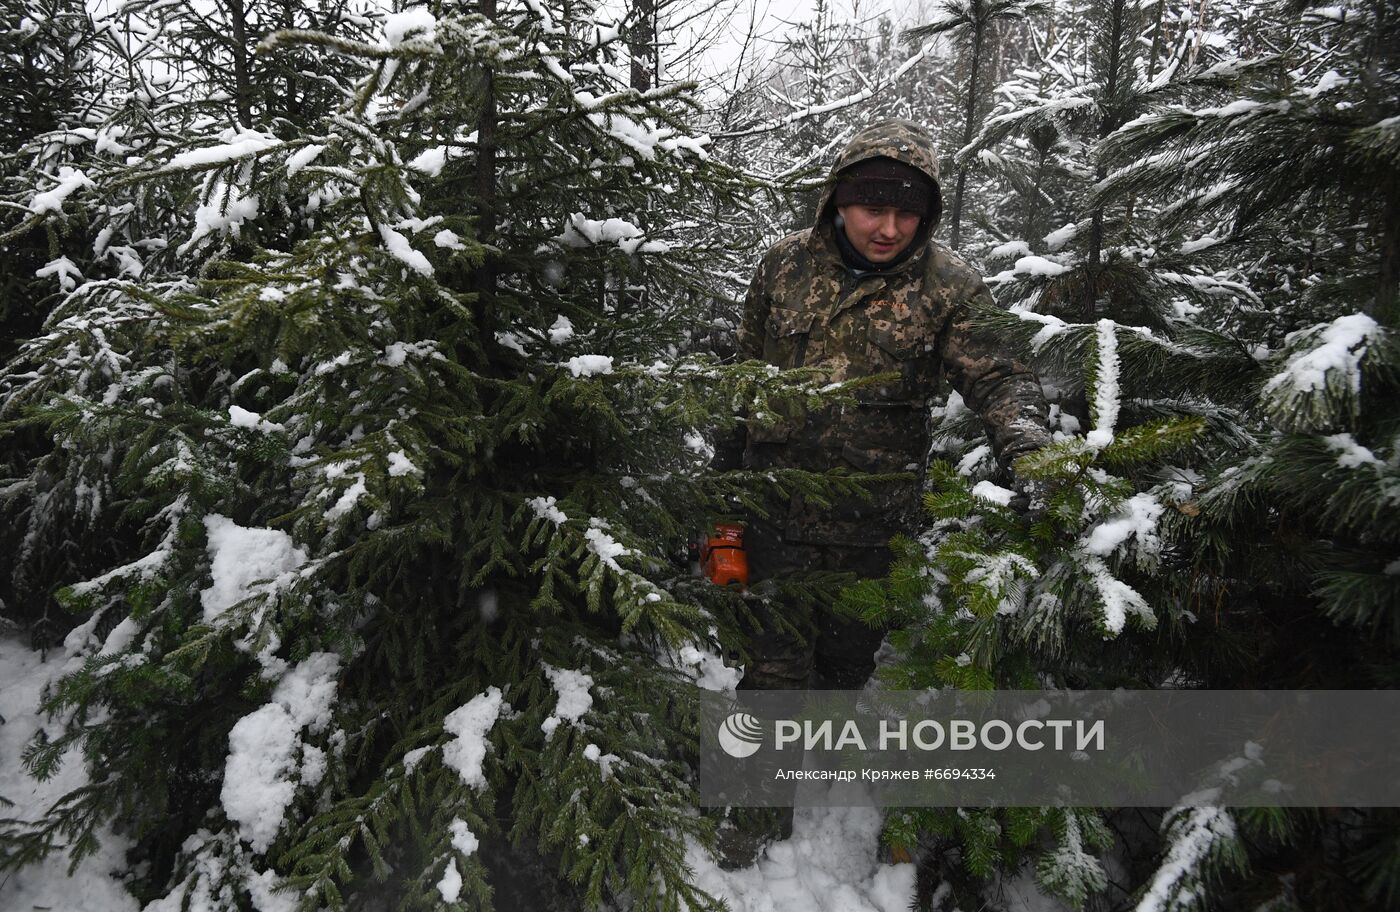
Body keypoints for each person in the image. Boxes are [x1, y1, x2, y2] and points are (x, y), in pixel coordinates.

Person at [713, 119, 1052, 867]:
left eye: (908, 214)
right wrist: (723, 496)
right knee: (771, 673)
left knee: (843, 665)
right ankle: (755, 817)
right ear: (838, 200)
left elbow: (999, 374)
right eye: (873, 208)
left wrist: (1030, 451)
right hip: (776, 510)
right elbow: (743, 375)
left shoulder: (950, 283)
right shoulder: (782, 267)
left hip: (874, 518)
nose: (889, 228)